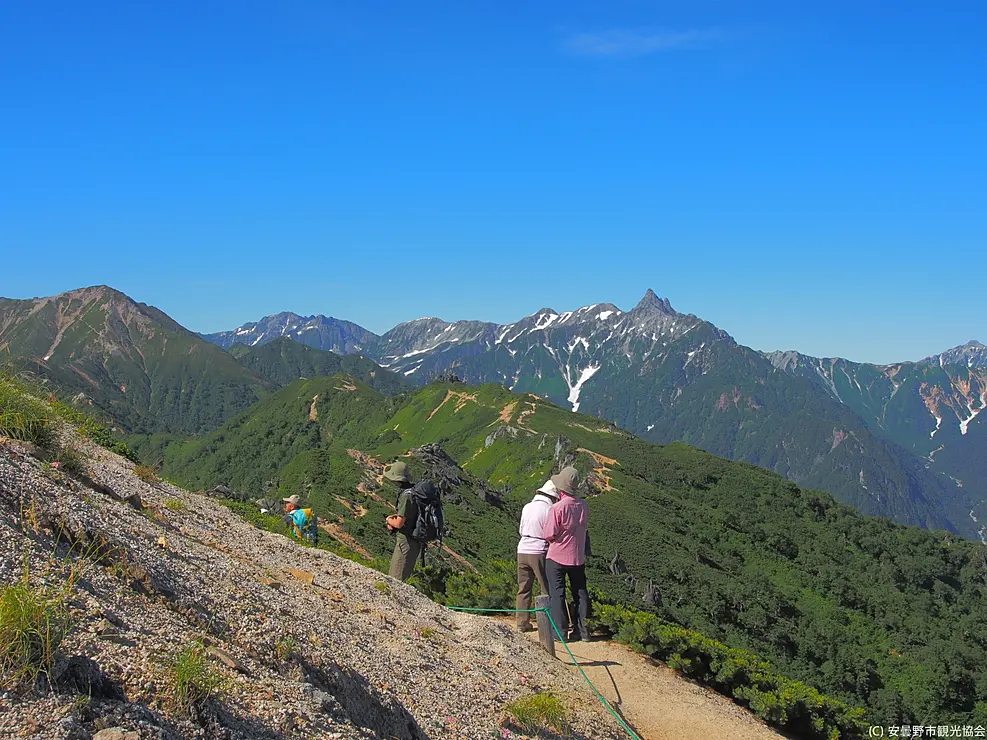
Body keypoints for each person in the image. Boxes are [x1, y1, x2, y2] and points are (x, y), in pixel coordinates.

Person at [542, 466, 592, 642]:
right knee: (580, 592)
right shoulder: (584, 505)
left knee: (557, 594)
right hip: (577, 557)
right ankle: (584, 631)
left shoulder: (557, 508)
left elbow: (549, 534)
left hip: (556, 557)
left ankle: (560, 633)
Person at [516, 479, 559, 632]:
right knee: (546, 588)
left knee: (523, 588)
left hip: (522, 548)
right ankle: (546, 624)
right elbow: (551, 533)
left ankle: (522, 622)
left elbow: (521, 529)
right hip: (539, 549)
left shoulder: (527, 507)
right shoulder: (549, 509)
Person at [383, 461, 421, 581]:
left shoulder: (405, 496)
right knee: (402, 576)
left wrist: (389, 520)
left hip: (406, 541)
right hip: (414, 540)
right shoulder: (413, 490)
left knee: (396, 579)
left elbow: (399, 523)